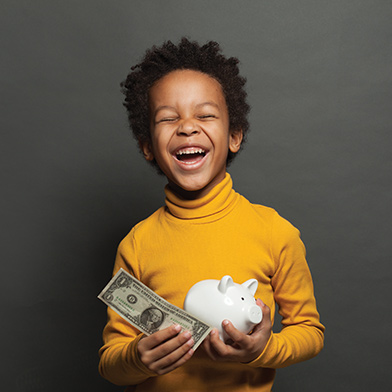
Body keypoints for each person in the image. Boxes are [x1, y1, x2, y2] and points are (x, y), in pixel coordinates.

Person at [99, 37, 325, 392]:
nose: (187, 127)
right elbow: (110, 364)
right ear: (147, 147)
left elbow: (310, 332)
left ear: (234, 135)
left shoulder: (274, 231)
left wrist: (262, 350)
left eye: (205, 115)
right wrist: (136, 359)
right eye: (168, 118)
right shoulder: (137, 245)